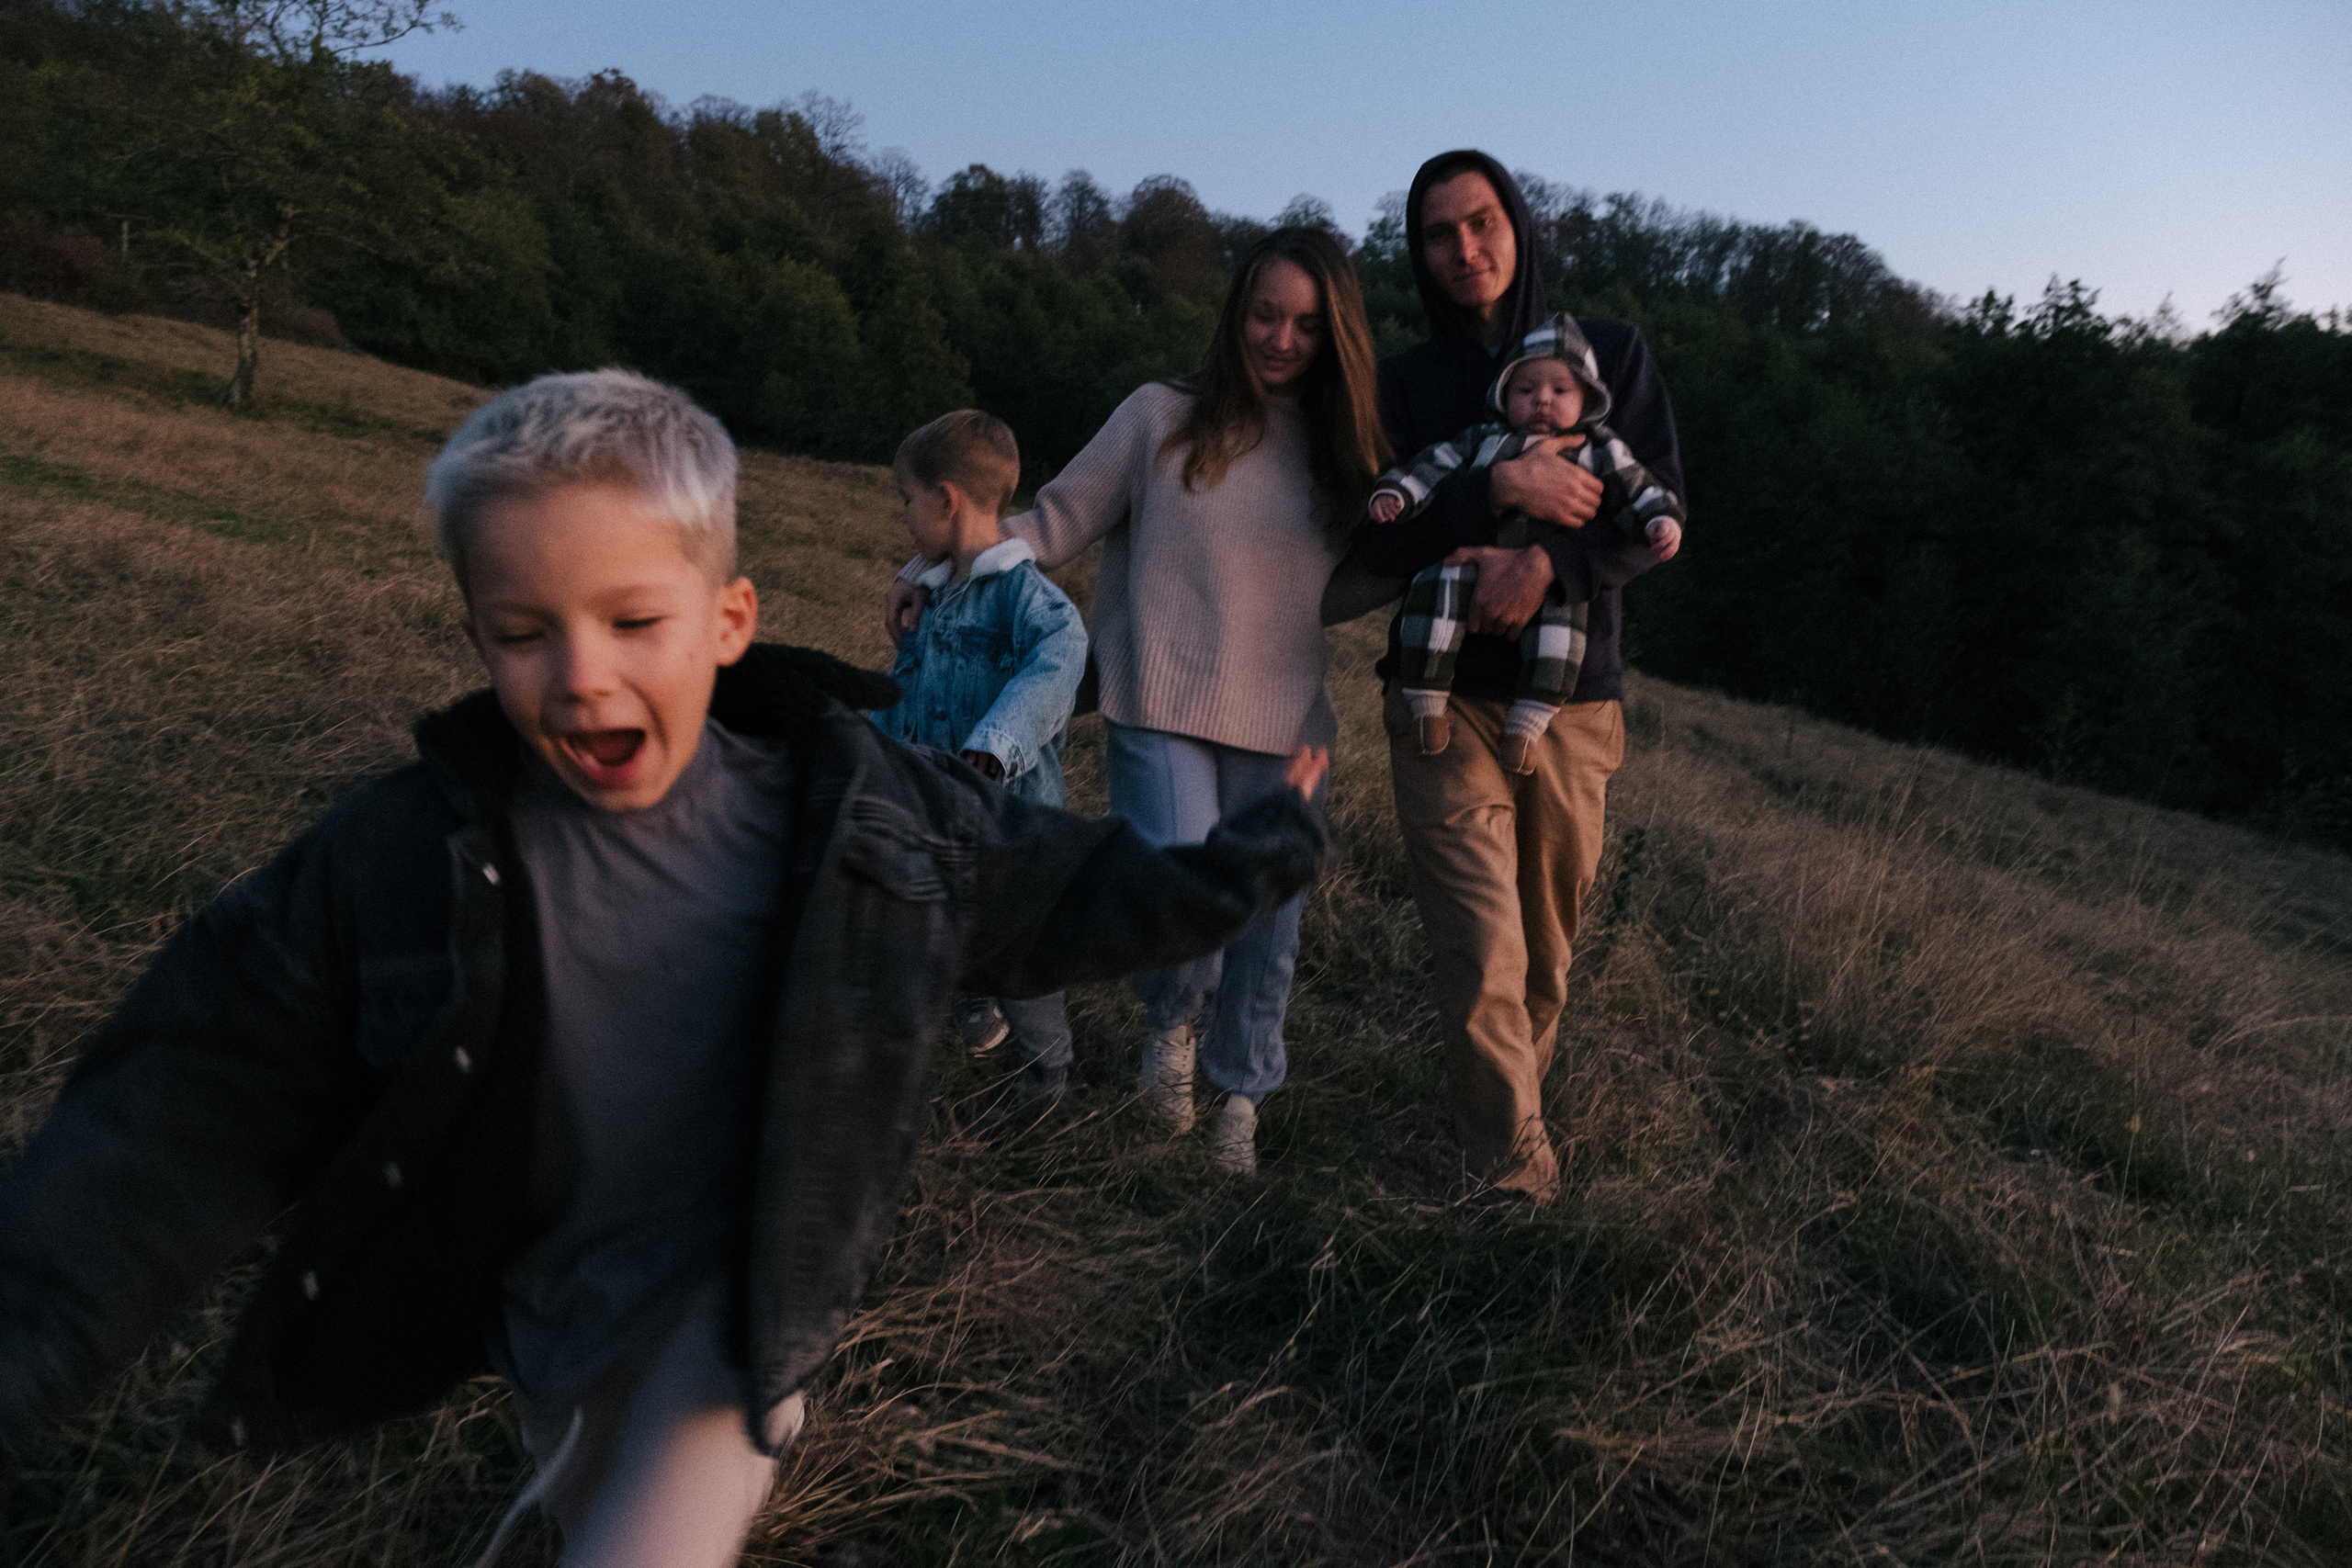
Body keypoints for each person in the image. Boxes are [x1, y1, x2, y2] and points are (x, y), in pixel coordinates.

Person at [0, 369, 1329, 1567]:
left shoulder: (854, 819)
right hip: (538, 1299)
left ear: (730, 618)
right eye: (525, 630)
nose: (582, 676)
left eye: (635, 618)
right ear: (475, 633)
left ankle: (731, 1414)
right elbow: (189, 1090)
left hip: (728, 1302)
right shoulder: (405, 861)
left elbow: (1059, 887)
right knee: (577, 1467)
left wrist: (1253, 852)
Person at [884, 227, 1388, 1175]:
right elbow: (1050, 523)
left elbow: (1346, 588)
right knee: (1171, 877)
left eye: (1307, 326)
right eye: (1264, 315)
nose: (1280, 339)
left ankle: (1242, 1092)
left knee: (1270, 918)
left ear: (1336, 338)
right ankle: (1175, 1030)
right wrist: (930, 565)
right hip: (1156, 692)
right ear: (1236, 312)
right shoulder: (1158, 416)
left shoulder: (1340, 453)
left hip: (1282, 715)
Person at [1353, 151, 1685, 1204]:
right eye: (1439, 234)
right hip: (1438, 697)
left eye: (1482, 222)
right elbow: (1376, 529)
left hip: (1571, 701)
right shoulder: (1405, 384)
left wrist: (1544, 562)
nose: (1465, 250)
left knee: (1545, 951)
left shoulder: (1615, 358)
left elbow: (1656, 514)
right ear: (1419, 254)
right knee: (1480, 942)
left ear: (1519, 227)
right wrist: (1496, 485)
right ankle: (1510, 1172)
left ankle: (1507, 1116)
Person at [869, 408, 1088, 1120]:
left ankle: (1047, 1073)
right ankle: (958, 1016)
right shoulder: (939, 593)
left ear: (945, 499)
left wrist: (995, 746)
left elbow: (1059, 663)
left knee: (1016, 946)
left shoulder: (1030, 602)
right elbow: (919, 689)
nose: (904, 514)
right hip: (932, 803)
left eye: (907, 498)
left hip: (1006, 820)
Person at [1369, 310, 1686, 773]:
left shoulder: (1601, 449)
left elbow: (1642, 486)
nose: (1542, 400)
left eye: (1560, 390)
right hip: (1468, 565)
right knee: (1432, 592)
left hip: (1556, 583)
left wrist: (1660, 519)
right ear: (1504, 397)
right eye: (1526, 389)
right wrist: (1395, 493)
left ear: (1587, 399)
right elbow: (1430, 466)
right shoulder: (1484, 439)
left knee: (1561, 634)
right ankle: (1426, 704)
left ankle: (1528, 724)